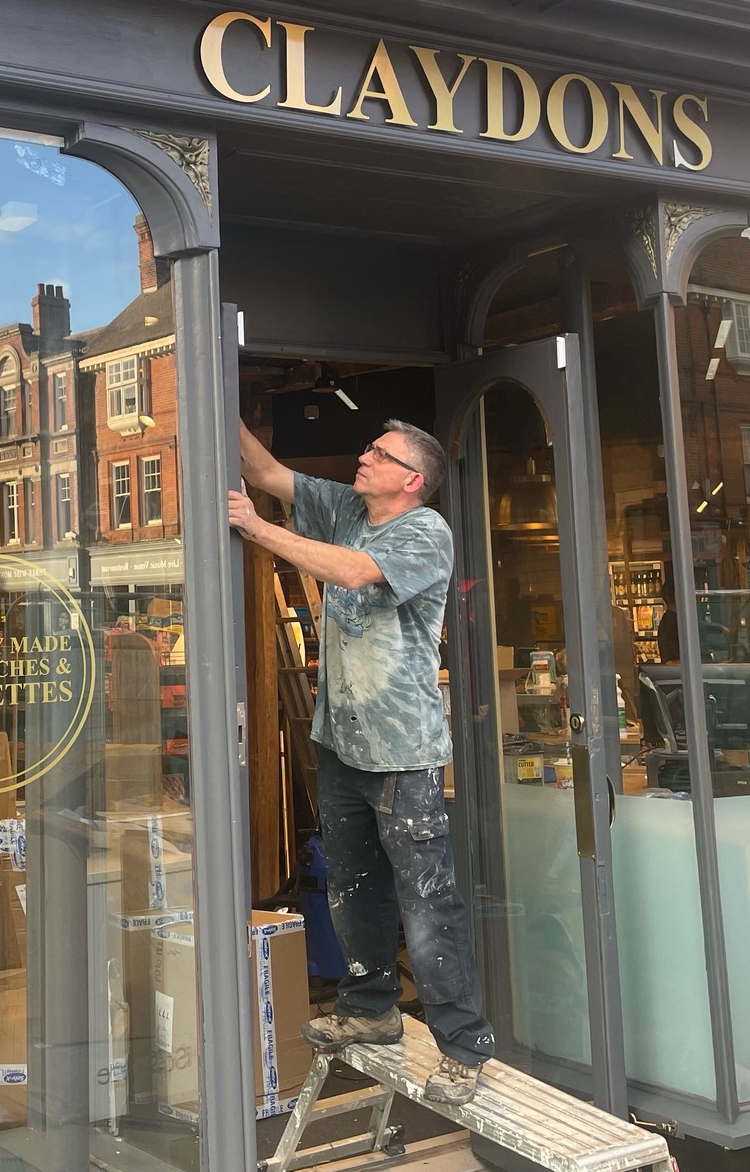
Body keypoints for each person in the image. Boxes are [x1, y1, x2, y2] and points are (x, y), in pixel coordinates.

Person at [227, 419, 494, 1108]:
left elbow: (349, 571)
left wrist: (256, 529)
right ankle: (372, 1006)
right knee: (352, 884)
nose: (364, 457)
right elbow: (265, 470)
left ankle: (463, 1048)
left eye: (381, 454)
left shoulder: (424, 531)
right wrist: (213, 383)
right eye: (370, 449)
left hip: (402, 751)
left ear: (412, 480)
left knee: (427, 900)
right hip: (342, 739)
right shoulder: (347, 507)